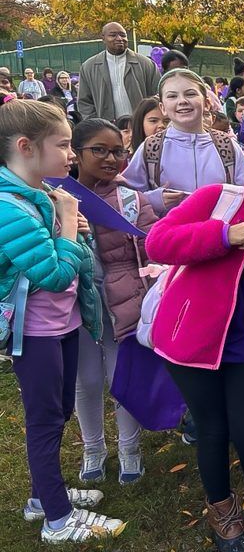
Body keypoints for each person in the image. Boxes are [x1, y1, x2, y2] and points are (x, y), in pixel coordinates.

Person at [145, 134, 244, 552]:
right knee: (213, 428)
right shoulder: (220, 199)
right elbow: (157, 242)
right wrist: (222, 236)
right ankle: (223, 513)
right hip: (192, 342)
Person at [0, 100, 125, 543]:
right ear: (25, 147)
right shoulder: (9, 208)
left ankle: (42, 496)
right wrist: (70, 224)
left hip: (63, 325)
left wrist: (67, 230)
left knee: (60, 411)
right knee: (45, 419)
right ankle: (57, 519)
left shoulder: (42, 196)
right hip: (34, 335)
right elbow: (54, 275)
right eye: (64, 144)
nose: (71, 154)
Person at [71, 119, 156, 486]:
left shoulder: (128, 198)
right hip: (74, 304)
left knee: (121, 378)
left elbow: (152, 243)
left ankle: (129, 449)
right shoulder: (55, 197)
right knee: (85, 380)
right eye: (99, 150)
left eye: (117, 151)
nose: (110, 158)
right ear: (76, 152)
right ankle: (93, 448)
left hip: (122, 302)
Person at [124, 69, 244, 216]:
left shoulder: (227, 146)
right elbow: (125, 197)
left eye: (190, 94)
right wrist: (153, 199)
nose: (182, 101)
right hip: (169, 235)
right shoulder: (151, 147)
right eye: (172, 96)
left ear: (207, 103)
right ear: (163, 108)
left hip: (219, 235)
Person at [78, 22, 159, 121]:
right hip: (107, 129)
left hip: (140, 126)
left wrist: (149, 120)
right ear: (103, 38)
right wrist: (97, 124)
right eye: (113, 35)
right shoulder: (88, 67)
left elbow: (157, 96)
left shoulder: (146, 64)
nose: (119, 39)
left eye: (123, 35)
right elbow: (84, 103)